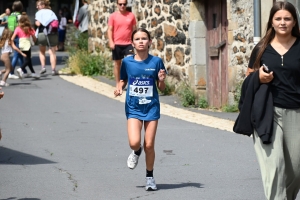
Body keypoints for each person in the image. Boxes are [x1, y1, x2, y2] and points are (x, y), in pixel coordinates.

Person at [245, 1, 300, 199]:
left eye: (287, 18)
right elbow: (248, 79)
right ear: (271, 21)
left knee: (296, 169)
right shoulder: (261, 49)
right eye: (278, 18)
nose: (283, 22)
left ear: (294, 22)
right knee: (274, 168)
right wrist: (258, 77)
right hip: (267, 113)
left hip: (297, 114)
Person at [114, 28, 167, 191]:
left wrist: (162, 80)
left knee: (149, 145)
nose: (141, 41)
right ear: (132, 43)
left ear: (150, 42)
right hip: (133, 107)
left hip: (151, 107)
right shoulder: (127, 62)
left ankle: (150, 177)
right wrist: (119, 87)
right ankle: (137, 152)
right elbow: (122, 79)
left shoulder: (156, 62)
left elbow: (162, 88)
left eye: (144, 38)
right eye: (137, 39)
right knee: (134, 142)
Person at [108, 0, 136, 87]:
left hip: (128, 44)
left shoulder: (131, 15)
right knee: (117, 64)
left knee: (130, 63)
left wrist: (135, 41)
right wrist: (111, 42)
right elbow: (110, 30)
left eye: (124, 4)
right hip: (117, 44)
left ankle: (127, 81)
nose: (122, 6)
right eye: (120, 4)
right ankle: (118, 83)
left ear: (126, 4)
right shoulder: (113, 16)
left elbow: (134, 30)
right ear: (117, 5)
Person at [35, 0, 58, 76]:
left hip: (42, 33)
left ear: (43, 5)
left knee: (42, 52)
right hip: (52, 33)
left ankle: (43, 67)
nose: (37, 7)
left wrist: (36, 23)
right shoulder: (51, 12)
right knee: (52, 53)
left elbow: (38, 24)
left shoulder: (38, 13)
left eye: (38, 5)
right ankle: (53, 70)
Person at [12, 13, 38, 79]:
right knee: (28, 59)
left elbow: (12, 38)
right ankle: (21, 69)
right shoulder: (29, 28)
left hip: (21, 43)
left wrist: (13, 43)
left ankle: (33, 73)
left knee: (28, 59)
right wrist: (34, 41)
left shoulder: (18, 28)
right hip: (27, 44)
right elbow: (34, 37)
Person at [9, 1, 23, 79]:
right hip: (18, 36)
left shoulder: (11, 15)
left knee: (19, 54)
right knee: (17, 54)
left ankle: (23, 70)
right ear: (21, 8)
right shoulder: (20, 16)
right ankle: (11, 72)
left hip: (11, 35)